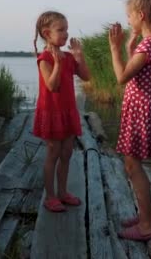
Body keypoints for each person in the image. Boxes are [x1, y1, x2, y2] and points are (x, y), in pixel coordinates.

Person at [108, 0, 151, 241]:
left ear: (141, 15)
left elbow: (122, 77)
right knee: (133, 163)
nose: (128, 20)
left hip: (140, 110)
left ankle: (146, 225)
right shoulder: (149, 43)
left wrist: (115, 48)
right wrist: (130, 45)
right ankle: (149, 215)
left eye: (130, 16)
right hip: (141, 108)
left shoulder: (148, 45)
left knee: (133, 165)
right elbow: (138, 70)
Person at [32, 11, 91, 212]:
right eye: (61, 30)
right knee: (53, 152)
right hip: (52, 112)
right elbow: (52, 85)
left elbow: (86, 77)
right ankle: (50, 196)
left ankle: (63, 192)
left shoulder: (67, 56)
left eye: (67, 29)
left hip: (67, 111)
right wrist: (57, 64)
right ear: (47, 33)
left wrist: (79, 57)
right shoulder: (45, 58)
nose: (66, 34)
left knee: (66, 152)